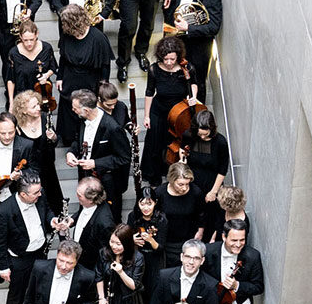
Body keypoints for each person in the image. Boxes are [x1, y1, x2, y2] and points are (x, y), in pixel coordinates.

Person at [0, 173, 69, 304]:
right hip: (20, 257)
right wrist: (3, 267)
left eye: (40, 191)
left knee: (40, 286)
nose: (40, 194)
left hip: (40, 251)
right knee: (17, 292)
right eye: (36, 193)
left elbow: (47, 211)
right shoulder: (3, 211)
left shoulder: (39, 196)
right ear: (23, 194)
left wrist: (53, 221)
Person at [162, 0, 223, 101]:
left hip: (197, 48)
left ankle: (197, 111)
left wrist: (189, 27)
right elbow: (172, 9)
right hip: (176, 40)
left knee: (197, 81)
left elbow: (214, 27)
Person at [66, 91, 132, 220]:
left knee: (110, 215)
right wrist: (71, 152)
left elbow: (124, 158)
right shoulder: (81, 119)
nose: (73, 110)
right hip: (86, 175)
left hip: (107, 180)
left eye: (75, 108)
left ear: (86, 110)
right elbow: (78, 140)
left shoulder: (113, 128)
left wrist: (96, 163)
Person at [142, 35, 198, 185]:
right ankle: (153, 175)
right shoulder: (154, 69)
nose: (168, 63)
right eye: (165, 59)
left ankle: (171, 173)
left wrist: (193, 96)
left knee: (175, 145)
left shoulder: (187, 68)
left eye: (172, 59)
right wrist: (147, 116)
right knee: (154, 144)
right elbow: (149, 92)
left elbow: (194, 84)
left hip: (179, 113)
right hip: (158, 111)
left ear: (178, 57)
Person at [56, 6, 114, 146]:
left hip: (89, 81)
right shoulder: (67, 35)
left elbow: (105, 65)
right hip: (70, 78)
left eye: (65, 23)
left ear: (74, 22)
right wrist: (59, 77)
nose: (62, 26)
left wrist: (102, 87)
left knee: (85, 111)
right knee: (69, 109)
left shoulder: (98, 38)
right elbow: (63, 57)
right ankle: (69, 139)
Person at [21, 240, 97, 304]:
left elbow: (89, 302)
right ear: (57, 255)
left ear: (77, 261)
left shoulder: (87, 277)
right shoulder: (40, 268)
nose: (63, 266)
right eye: (61, 260)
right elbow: (30, 296)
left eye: (69, 263)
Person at [144, 239, 217, 304]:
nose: (191, 262)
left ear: (202, 261)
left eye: (196, 258)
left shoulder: (210, 285)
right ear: (182, 257)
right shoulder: (164, 276)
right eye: (188, 257)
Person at [11, 89, 64, 213]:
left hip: (48, 165)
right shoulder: (17, 126)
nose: (38, 108)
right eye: (33, 106)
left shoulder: (46, 117)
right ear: (24, 111)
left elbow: (55, 141)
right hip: (30, 169)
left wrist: (54, 137)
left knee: (53, 196)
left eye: (37, 104)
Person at [184, 110, 230, 234]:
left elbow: (223, 169)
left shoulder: (220, 142)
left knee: (210, 216)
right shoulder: (189, 135)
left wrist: (213, 192)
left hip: (212, 184)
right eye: (200, 135)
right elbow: (182, 149)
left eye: (206, 134)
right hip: (192, 183)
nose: (203, 137)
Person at [154, 162, 205, 266]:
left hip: (188, 238)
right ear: (172, 181)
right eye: (180, 184)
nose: (185, 188)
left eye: (187, 184)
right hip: (166, 240)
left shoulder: (196, 192)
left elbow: (202, 214)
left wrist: (200, 231)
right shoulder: (160, 193)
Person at [127, 186, 169, 298]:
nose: (145, 208)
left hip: (155, 258)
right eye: (142, 204)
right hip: (138, 256)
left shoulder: (161, 219)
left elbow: (160, 247)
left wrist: (150, 240)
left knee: (153, 289)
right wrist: (133, 240)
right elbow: (126, 237)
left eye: (149, 204)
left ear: (155, 203)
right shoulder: (133, 216)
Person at [5, 22, 58, 109]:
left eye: (32, 39)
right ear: (20, 37)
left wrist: (46, 75)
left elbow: (53, 67)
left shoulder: (46, 48)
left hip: (42, 94)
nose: (29, 43)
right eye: (25, 40)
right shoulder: (14, 53)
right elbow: (11, 79)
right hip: (23, 96)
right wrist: (11, 103)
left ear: (37, 34)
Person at [71, 177, 116, 271]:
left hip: (89, 267)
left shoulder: (104, 223)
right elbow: (81, 211)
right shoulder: (87, 203)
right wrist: (72, 220)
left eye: (79, 196)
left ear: (91, 200)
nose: (77, 196)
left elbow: (104, 254)